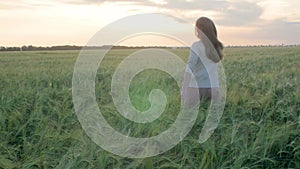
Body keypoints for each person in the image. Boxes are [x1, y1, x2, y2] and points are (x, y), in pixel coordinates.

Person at [181, 17, 224, 106]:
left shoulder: (197, 46)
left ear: (199, 31)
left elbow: (190, 67)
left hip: (196, 89)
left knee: (193, 117)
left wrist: (184, 89)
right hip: (214, 90)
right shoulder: (218, 47)